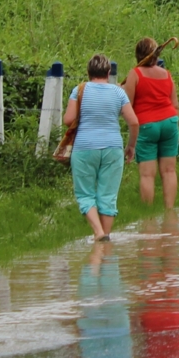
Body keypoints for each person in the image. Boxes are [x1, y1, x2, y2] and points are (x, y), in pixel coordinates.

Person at [64, 54, 139, 242]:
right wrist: (130, 146)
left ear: (88, 72)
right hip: (113, 148)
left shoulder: (79, 90)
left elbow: (68, 120)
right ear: (108, 72)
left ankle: (98, 232)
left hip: (84, 148)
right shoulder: (118, 93)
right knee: (108, 195)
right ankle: (105, 238)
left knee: (85, 193)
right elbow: (134, 122)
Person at [124, 37, 179, 210]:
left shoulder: (134, 74)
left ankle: (148, 215)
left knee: (148, 175)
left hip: (147, 125)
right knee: (169, 171)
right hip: (170, 123)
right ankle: (169, 210)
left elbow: (128, 105)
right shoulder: (167, 74)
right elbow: (175, 105)